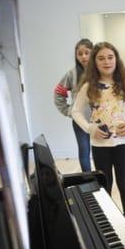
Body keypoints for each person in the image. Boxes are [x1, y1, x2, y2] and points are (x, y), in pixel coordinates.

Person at [72, 42, 125, 228]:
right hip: (100, 144)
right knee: (104, 185)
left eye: (110, 57)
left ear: (116, 60)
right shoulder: (88, 87)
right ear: (94, 62)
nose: (106, 61)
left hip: (123, 142)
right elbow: (76, 112)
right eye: (101, 58)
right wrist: (90, 128)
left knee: (124, 181)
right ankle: (108, 224)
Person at [53, 38, 93, 172]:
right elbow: (58, 93)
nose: (84, 56)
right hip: (79, 122)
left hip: (100, 120)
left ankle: (102, 181)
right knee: (84, 151)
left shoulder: (101, 73)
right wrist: (68, 111)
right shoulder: (72, 74)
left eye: (87, 52)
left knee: (100, 152)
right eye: (80, 54)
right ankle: (88, 180)